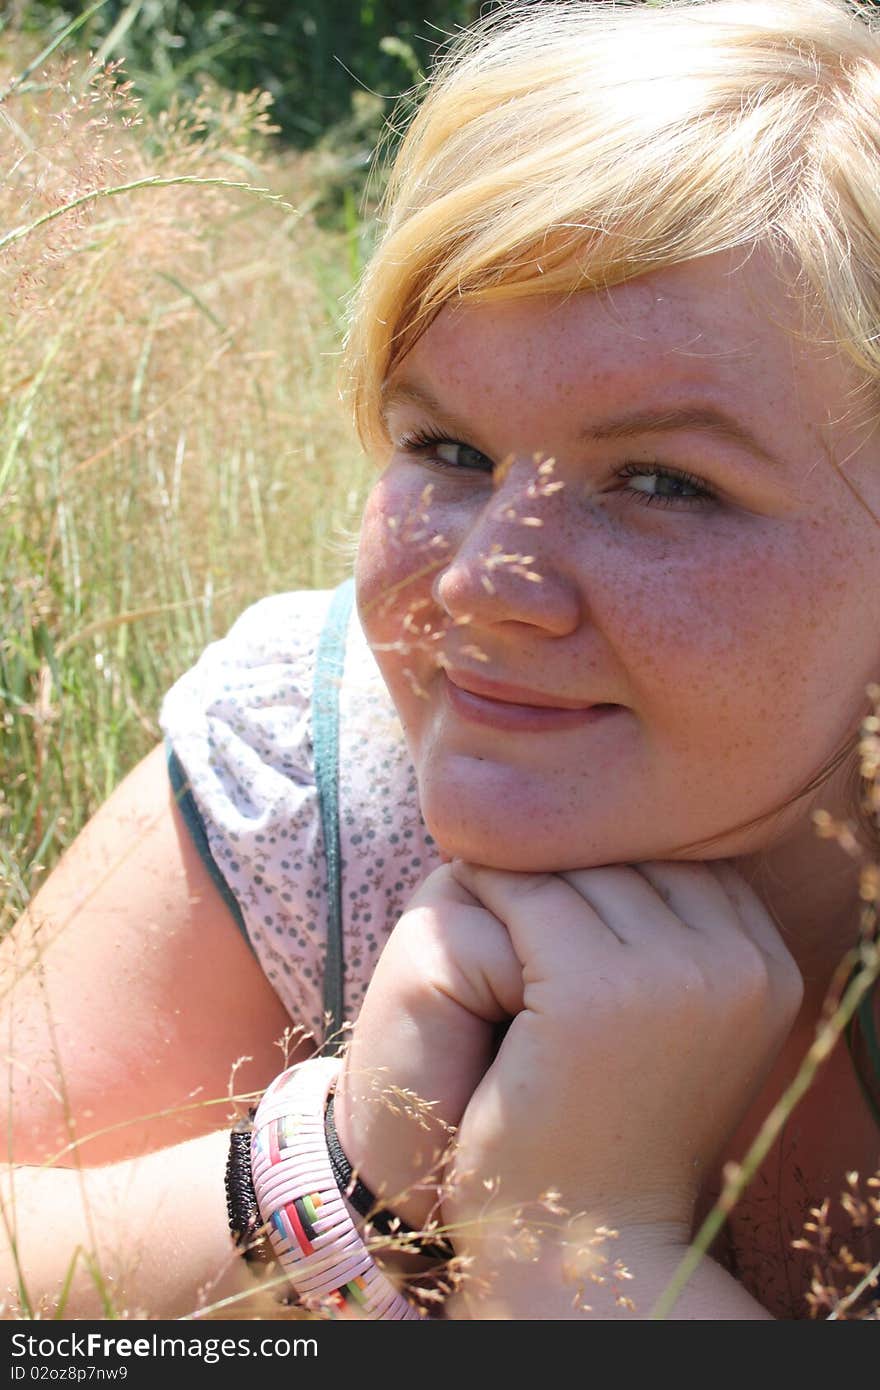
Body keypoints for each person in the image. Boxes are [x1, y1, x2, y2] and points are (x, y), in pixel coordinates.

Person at [2, 0, 880, 1321]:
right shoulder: (307, 769)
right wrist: (348, 1178)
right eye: (446, 450)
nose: (478, 585)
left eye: (660, 481)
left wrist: (582, 1250)